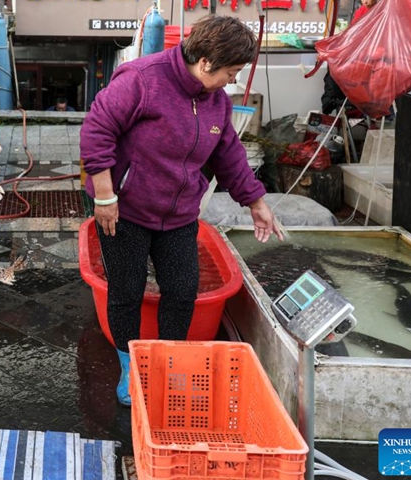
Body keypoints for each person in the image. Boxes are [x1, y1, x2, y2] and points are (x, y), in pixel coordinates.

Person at [80, 15, 282, 407]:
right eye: (230, 71)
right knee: (126, 291)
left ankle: (169, 362)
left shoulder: (217, 103)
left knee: (183, 289)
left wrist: (257, 203)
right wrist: (104, 197)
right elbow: (96, 130)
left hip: (179, 214)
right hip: (125, 210)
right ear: (205, 62)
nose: (232, 81)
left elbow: (230, 157)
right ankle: (130, 365)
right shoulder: (141, 78)